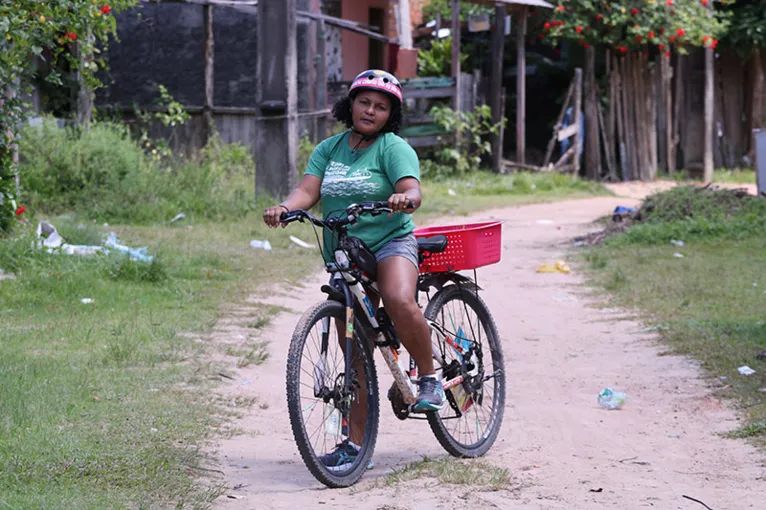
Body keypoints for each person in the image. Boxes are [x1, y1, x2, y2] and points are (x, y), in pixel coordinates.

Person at [263, 69, 444, 471]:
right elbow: (308, 190)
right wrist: (286, 208)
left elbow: (413, 189)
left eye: (381, 107)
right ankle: (353, 445)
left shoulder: (393, 148)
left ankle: (430, 378)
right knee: (354, 348)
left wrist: (404, 198)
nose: (370, 111)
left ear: (390, 115)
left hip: (390, 243)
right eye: (364, 102)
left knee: (398, 298)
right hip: (347, 251)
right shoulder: (329, 148)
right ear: (351, 103)